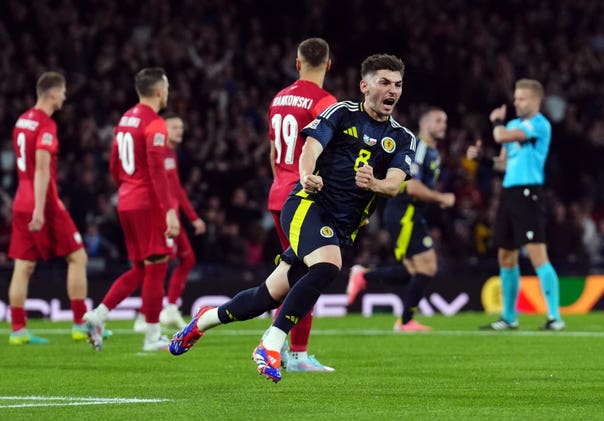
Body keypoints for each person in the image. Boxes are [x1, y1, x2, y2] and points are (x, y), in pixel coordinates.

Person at [170, 54, 416, 383]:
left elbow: (396, 182)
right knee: (329, 265)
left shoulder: (402, 138)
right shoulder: (341, 113)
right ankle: (271, 344)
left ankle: (203, 320)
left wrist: (376, 184)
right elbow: (311, 147)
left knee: (264, 297)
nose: (393, 91)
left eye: (397, 84)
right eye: (385, 82)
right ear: (365, 85)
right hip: (307, 205)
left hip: (342, 227)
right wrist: (306, 174)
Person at [82, 67, 181, 351]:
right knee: (158, 265)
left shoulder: (125, 119)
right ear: (160, 91)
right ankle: (152, 337)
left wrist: (125, 189)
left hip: (126, 200)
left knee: (140, 268)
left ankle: (97, 316)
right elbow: (156, 171)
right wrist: (169, 211)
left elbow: (114, 165)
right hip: (147, 202)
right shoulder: (155, 124)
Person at [347, 107, 455, 331]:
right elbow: (413, 186)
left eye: (445, 120)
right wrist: (440, 197)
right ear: (424, 125)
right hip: (405, 211)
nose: (443, 124)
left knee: (413, 271)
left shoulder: (432, 151)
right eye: (438, 120)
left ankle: (365, 276)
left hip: (409, 213)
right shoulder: (420, 147)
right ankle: (405, 321)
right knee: (427, 266)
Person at [266, 37, 337, 372]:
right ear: (328, 64)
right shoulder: (324, 101)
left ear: (297, 63)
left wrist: (282, 180)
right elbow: (325, 153)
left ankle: (287, 348)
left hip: (279, 194)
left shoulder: (279, 98)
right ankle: (296, 354)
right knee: (308, 275)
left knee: (292, 275)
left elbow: (271, 153)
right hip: (305, 195)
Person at [7, 71, 90, 344]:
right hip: (43, 202)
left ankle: (18, 330)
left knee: (23, 265)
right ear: (53, 93)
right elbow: (42, 170)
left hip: (21, 200)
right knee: (78, 257)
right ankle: (81, 324)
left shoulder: (22, 120)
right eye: (63, 91)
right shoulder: (45, 125)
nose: (65, 96)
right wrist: (41, 210)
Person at [479, 78, 565, 331]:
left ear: (536, 101)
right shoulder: (515, 124)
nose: (516, 102)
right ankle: (509, 317)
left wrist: (496, 122)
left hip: (529, 192)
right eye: (515, 98)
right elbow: (503, 163)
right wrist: (483, 160)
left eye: (521, 98)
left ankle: (554, 317)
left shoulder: (539, 125)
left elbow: (500, 135)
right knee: (505, 254)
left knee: (538, 254)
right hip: (508, 193)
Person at [133, 112, 206, 332]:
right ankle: (145, 316)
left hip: (171, 216)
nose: (179, 131)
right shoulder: (158, 152)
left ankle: (170, 308)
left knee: (187, 259)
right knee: (158, 265)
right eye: (174, 127)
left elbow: (176, 189)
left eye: (181, 128)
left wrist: (192, 217)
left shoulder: (170, 153)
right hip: (162, 217)